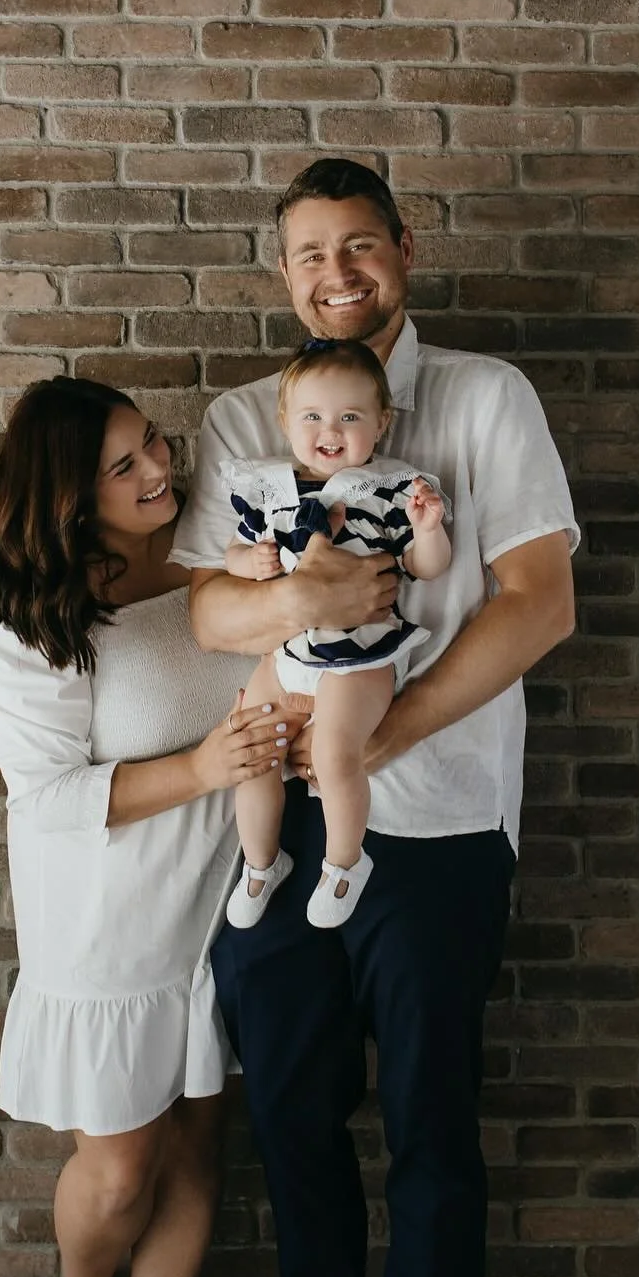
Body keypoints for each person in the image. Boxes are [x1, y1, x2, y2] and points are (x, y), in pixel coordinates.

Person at [170, 159, 578, 1277]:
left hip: (445, 816)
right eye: (306, 255)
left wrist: (379, 731)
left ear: (404, 250)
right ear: (279, 273)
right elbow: (210, 617)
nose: (336, 274)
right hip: (282, 820)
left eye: (360, 247)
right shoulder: (243, 418)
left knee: (427, 1125)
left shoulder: (483, 399)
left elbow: (539, 603)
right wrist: (299, 599)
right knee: (287, 1112)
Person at [0, 376, 297, 1277]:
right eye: (124, 466)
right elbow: (46, 797)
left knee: (200, 1142)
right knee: (119, 1167)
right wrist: (200, 765)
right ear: (67, 494)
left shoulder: (209, 544)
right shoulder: (26, 624)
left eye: (154, 443)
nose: (159, 471)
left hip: (220, 892)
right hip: (107, 917)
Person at [221, 337, 451, 931]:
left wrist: (427, 530)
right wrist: (251, 565)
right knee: (251, 748)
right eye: (314, 416)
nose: (332, 430)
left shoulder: (389, 491)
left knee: (334, 751)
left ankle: (345, 861)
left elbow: (426, 568)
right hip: (291, 649)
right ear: (285, 422)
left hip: (361, 652)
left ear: (381, 422)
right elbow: (235, 552)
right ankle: (260, 862)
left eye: (350, 417)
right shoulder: (271, 491)